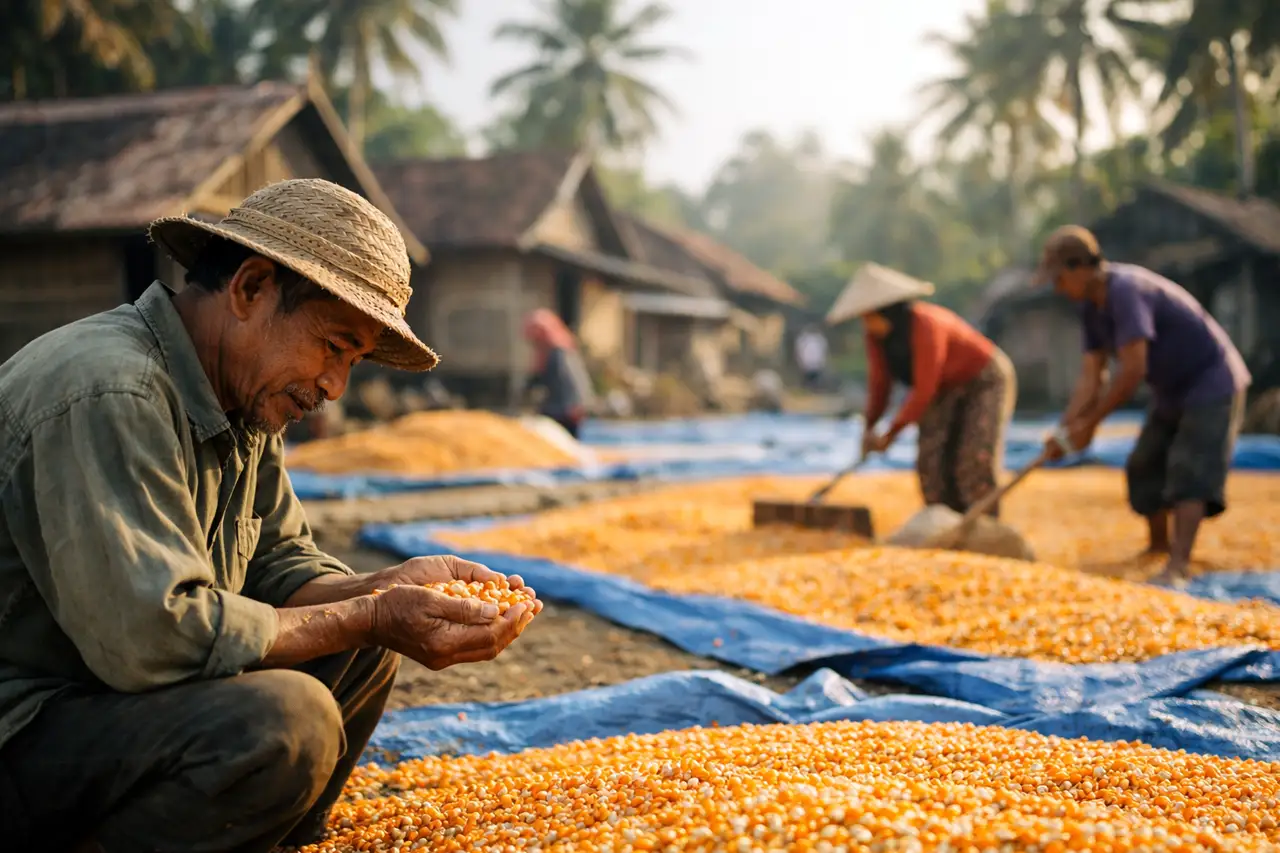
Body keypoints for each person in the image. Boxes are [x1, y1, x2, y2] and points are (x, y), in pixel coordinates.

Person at [0, 179, 542, 853]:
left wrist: (391, 593)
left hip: (107, 701)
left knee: (365, 641)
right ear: (250, 289)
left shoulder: (244, 400)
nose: (336, 387)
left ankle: (265, 835)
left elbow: (280, 563)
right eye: (333, 346)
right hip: (27, 724)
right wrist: (371, 610)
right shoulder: (113, 389)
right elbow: (154, 636)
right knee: (289, 721)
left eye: (354, 359)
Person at [1036, 225, 1251, 583]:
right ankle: (1158, 549)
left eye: (1059, 279)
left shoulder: (1125, 291)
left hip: (1210, 380)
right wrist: (1065, 428)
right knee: (1144, 463)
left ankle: (1179, 564)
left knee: (1189, 468)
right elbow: (1092, 374)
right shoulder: (1091, 307)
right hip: (1171, 390)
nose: (1058, 289)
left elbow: (1134, 369)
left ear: (1079, 267)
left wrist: (1092, 424)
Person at [846, 264, 1017, 517]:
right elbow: (880, 384)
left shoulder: (926, 326)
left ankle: (983, 526)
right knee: (931, 460)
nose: (865, 323)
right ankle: (945, 522)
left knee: (972, 458)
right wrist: (869, 427)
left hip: (982, 380)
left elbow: (924, 390)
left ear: (886, 311)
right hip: (943, 388)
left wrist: (891, 433)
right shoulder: (876, 338)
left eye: (868, 315)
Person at [523, 308, 594, 438]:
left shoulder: (559, 354)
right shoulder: (547, 353)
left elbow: (572, 381)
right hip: (554, 410)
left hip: (565, 411)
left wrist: (576, 406)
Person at [794, 325, 829, 390]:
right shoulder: (805, 339)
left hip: (814, 363)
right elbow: (800, 351)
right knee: (809, 379)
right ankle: (809, 389)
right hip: (809, 363)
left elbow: (823, 350)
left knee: (814, 379)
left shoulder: (818, 339)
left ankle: (813, 389)